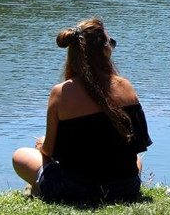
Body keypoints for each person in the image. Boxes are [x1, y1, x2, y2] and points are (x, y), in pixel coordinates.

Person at [12, 18, 152, 204]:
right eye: (111, 42)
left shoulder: (60, 93)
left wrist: (44, 145)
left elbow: (49, 152)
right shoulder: (126, 86)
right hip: (126, 188)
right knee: (137, 160)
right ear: (105, 50)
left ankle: (42, 188)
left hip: (73, 191)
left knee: (20, 155)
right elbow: (137, 143)